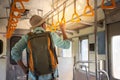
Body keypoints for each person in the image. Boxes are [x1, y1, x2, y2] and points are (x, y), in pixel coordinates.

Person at [11, 15, 70, 80]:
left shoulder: (27, 37)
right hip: (51, 76)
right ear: (43, 25)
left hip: (34, 77)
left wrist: (24, 68)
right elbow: (67, 45)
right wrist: (63, 30)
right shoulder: (51, 35)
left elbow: (14, 51)